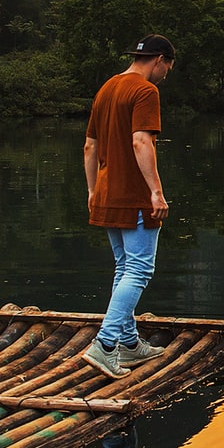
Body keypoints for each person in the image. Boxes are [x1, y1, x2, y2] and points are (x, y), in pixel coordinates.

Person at [82, 33, 175, 377]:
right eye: (168, 67)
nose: (166, 74)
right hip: (134, 196)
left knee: (124, 268)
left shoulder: (107, 88)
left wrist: (93, 191)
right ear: (160, 60)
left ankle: (130, 344)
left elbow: (89, 146)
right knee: (139, 270)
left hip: (107, 193)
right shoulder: (145, 91)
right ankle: (105, 345)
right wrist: (155, 192)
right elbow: (141, 141)